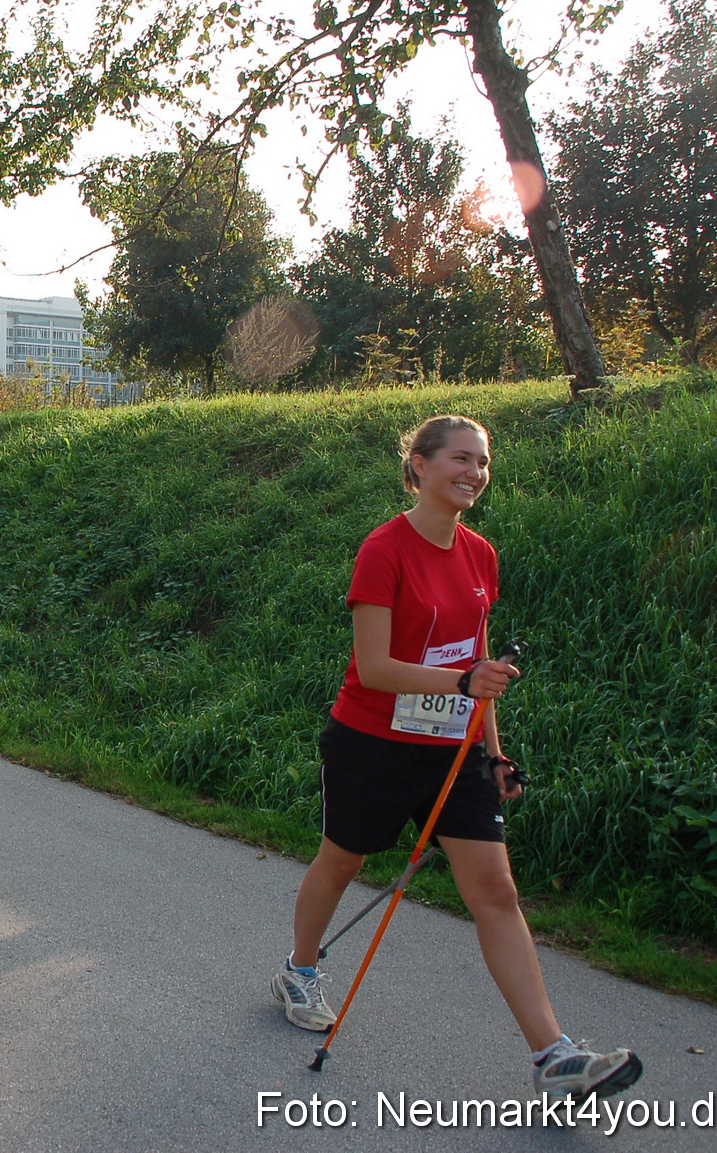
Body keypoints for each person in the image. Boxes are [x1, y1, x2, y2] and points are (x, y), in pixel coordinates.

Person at [271, 415, 641, 1099]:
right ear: (419, 466)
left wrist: (495, 753)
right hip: (373, 742)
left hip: (454, 748)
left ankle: (552, 1056)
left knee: (497, 893)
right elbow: (376, 666)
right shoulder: (384, 549)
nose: (474, 472)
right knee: (342, 859)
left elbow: (479, 662)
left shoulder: (480, 554)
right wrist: (462, 682)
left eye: (483, 461)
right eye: (460, 459)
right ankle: (299, 967)